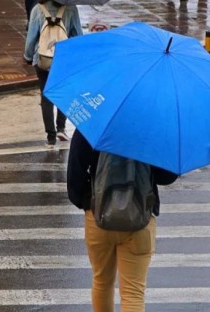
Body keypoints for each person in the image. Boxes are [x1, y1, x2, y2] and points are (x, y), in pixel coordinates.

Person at [67, 129, 178, 312]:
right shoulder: (153, 127)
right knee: (133, 293)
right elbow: (167, 176)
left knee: (102, 282)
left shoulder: (92, 125)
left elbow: (74, 182)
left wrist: (89, 203)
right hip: (140, 218)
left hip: (98, 217)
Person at [23, 0, 82, 146]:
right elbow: (78, 36)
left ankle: (50, 136)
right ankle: (61, 128)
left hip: (43, 59)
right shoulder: (71, 8)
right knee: (63, 93)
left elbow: (31, 38)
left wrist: (28, 56)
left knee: (46, 96)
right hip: (63, 60)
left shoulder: (38, 9)